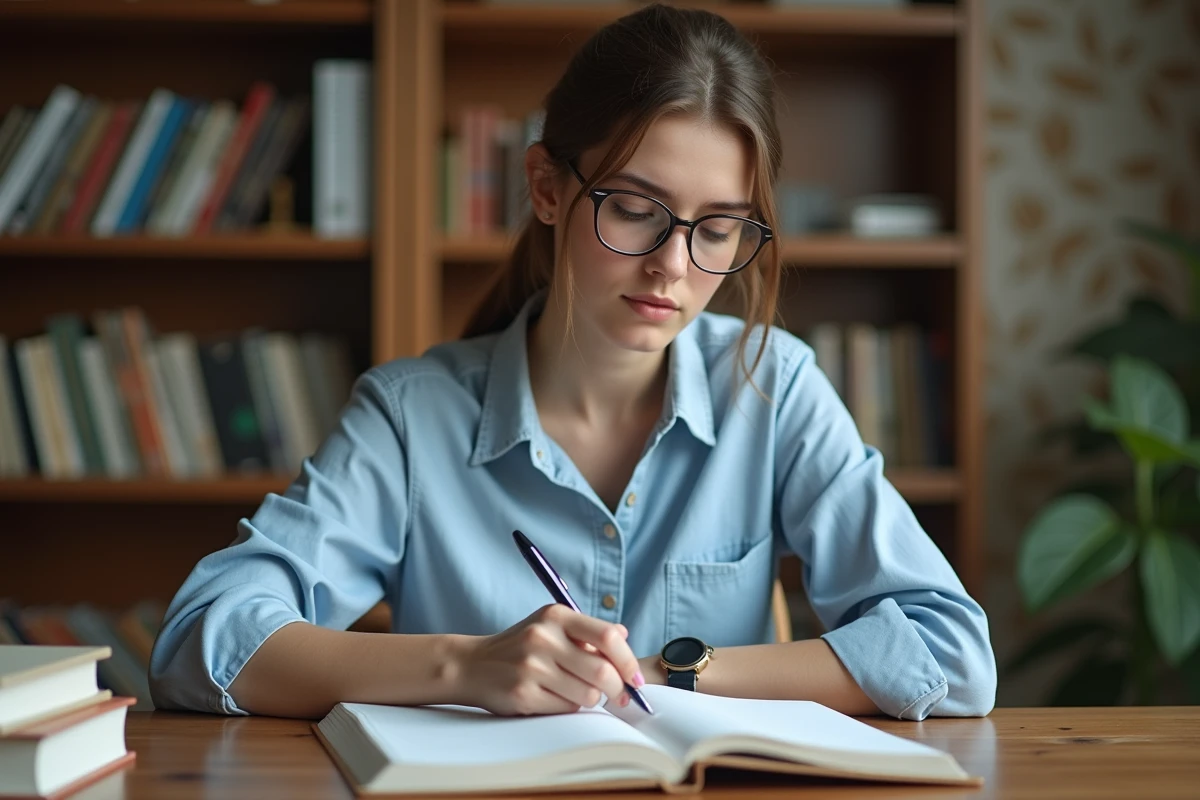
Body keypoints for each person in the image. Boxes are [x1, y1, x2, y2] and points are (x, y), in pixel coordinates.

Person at [149, 3, 995, 722]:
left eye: (718, 229)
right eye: (635, 210)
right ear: (548, 189)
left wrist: (670, 676)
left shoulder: (773, 388)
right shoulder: (412, 416)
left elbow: (952, 650)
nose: (673, 265)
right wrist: (467, 669)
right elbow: (203, 636)